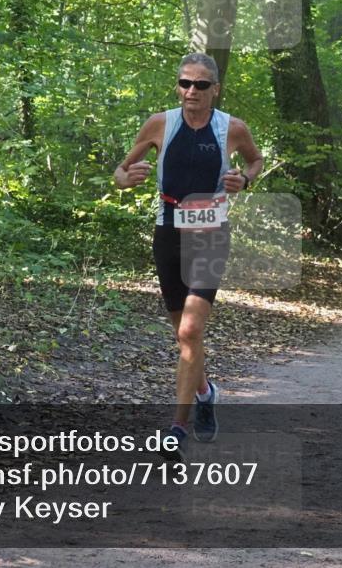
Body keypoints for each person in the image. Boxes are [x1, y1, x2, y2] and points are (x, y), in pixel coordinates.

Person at [114, 53, 263, 462]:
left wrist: (244, 180)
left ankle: (176, 429)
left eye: (200, 85)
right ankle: (205, 392)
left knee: (190, 332)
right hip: (168, 233)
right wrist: (127, 179)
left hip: (211, 233)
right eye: (184, 83)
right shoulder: (159, 123)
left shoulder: (232, 128)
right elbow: (121, 171)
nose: (190, 92)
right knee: (182, 332)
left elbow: (255, 159)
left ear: (216, 89)